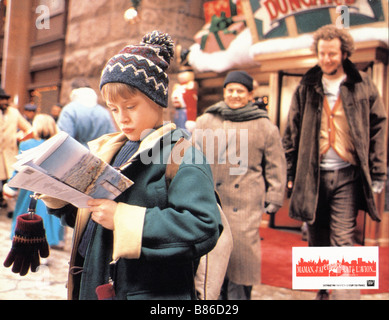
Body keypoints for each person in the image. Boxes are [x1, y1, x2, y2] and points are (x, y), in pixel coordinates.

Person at [41, 31, 222, 300]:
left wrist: (124, 219)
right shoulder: (109, 150)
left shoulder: (182, 156)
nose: (122, 118)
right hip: (93, 284)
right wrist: (60, 195)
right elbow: (93, 219)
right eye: (114, 109)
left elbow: (204, 225)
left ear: (157, 101)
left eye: (130, 106)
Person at [282, 24, 387, 300]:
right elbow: (291, 132)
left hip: (347, 175)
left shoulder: (363, 83)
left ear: (343, 54)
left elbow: (379, 127)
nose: (327, 59)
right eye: (322, 53)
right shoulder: (306, 85)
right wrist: (290, 172)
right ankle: (324, 291)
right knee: (317, 240)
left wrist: (378, 171)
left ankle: (345, 296)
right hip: (312, 176)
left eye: (332, 54)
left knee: (343, 240)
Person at [193, 70, 286, 300]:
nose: (234, 95)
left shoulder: (264, 126)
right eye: (230, 90)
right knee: (213, 260)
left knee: (242, 261)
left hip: (246, 202)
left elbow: (276, 165)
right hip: (212, 200)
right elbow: (191, 157)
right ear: (224, 92)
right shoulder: (206, 120)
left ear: (250, 94)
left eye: (240, 91)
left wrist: (275, 195)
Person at [3, 114, 64, 248]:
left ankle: (24, 240)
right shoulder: (59, 146)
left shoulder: (27, 144)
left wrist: (11, 186)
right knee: (49, 216)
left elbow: (19, 168)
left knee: (27, 213)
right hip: (52, 188)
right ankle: (49, 242)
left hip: (30, 186)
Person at [57, 79, 116, 147]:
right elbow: (112, 138)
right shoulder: (104, 112)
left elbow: (64, 141)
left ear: (72, 91)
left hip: (78, 156)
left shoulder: (69, 110)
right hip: (101, 155)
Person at [0, 88, 32, 210]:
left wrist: (20, 137)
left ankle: (10, 208)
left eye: (6, 99)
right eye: (2, 99)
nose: (4, 102)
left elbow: (28, 129)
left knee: (11, 182)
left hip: (9, 154)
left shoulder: (14, 112)